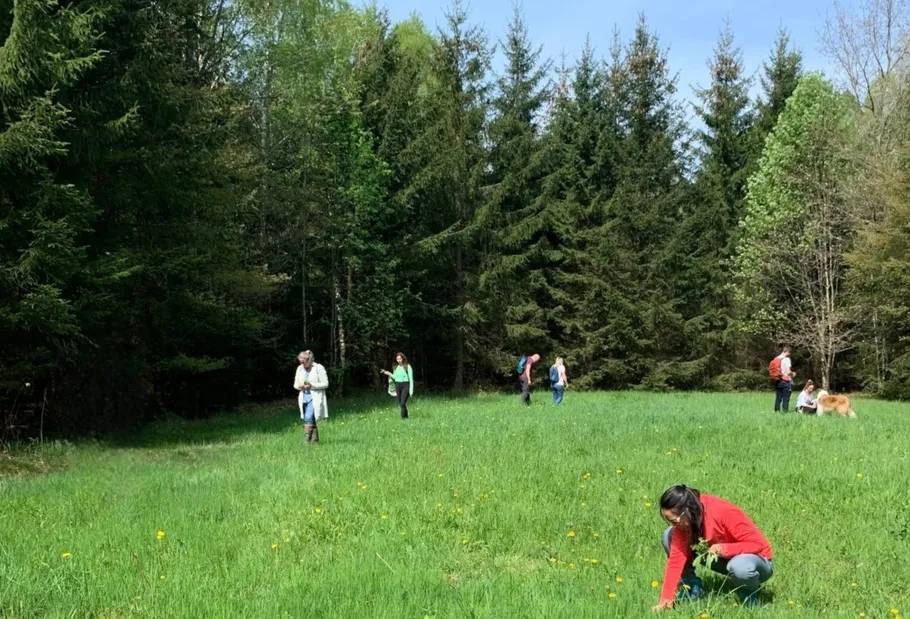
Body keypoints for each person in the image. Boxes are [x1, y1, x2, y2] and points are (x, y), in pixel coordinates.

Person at [653, 485, 773, 612]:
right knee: (668, 535)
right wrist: (666, 599)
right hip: (723, 559)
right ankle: (692, 587)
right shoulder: (686, 521)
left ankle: (750, 592)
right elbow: (676, 561)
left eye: (675, 521)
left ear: (686, 511)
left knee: (739, 566)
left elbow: (758, 544)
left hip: (758, 562)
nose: (675, 525)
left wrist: (725, 549)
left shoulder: (721, 511)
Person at [294, 350, 329, 443]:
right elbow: (295, 384)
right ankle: (314, 441)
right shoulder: (300, 369)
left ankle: (306, 441)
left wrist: (312, 385)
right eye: (300, 362)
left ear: (309, 359)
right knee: (310, 419)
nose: (302, 364)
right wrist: (300, 385)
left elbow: (325, 384)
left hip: (315, 398)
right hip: (303, 398)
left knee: (308, 417)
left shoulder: (318, 368)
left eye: (303, 362)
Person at [381, 352, 414, 419]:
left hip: (406, 385)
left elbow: (411, 379)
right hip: (398, 386)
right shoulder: (396, 367)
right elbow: (395, 377)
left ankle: (402, 419)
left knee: (402, 403)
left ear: (403, 358)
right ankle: (406, 417)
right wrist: (389, 373)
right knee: (401, 404)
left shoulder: (408, 366)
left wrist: (411, 390)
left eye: (400, 359)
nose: (398, 360)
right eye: (397, 359)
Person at [771, 346, 795, 413]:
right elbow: (788, 371)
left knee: (778, 397)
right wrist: (793, 373)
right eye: (789, 353)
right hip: (785, 381)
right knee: (786, 398)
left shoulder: (776, 358)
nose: (789, 354)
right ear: (787, 352)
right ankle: (785, 412)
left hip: (778, 380)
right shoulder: (786, 359)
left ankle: (776, 411)